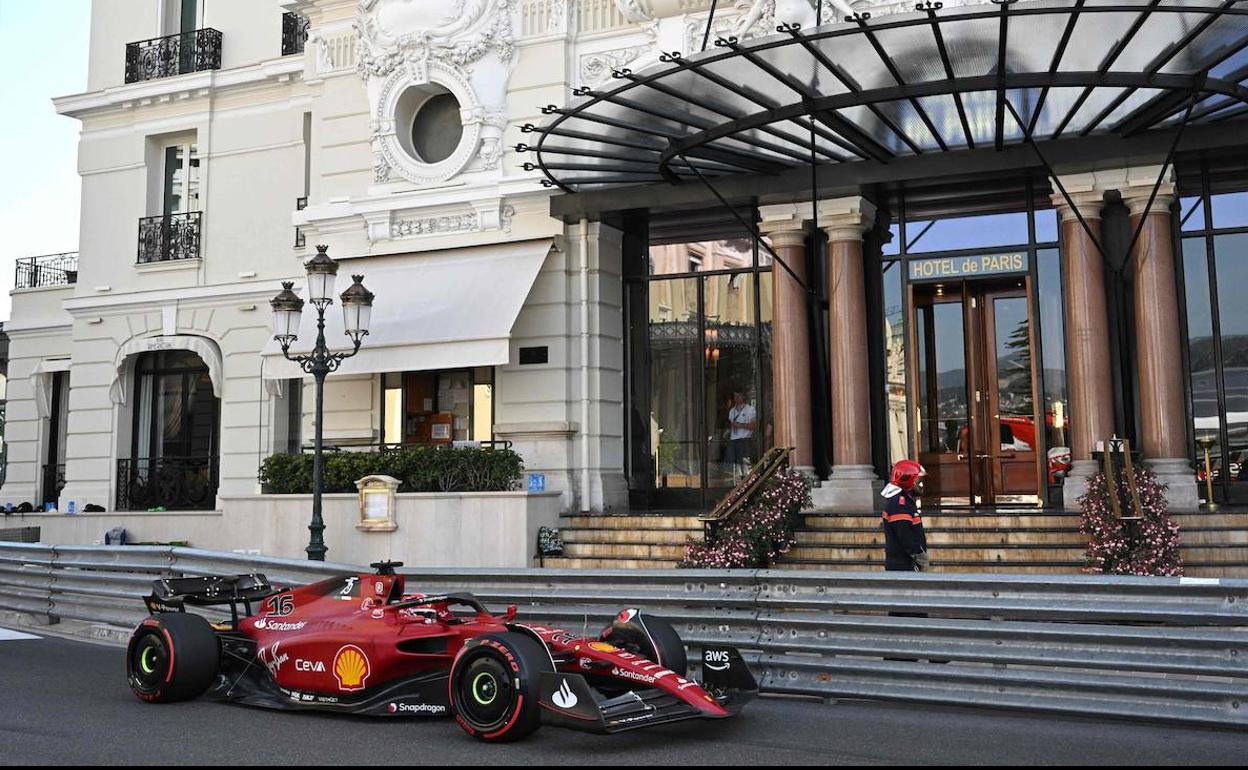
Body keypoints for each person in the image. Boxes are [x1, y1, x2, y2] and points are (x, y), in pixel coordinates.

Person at [880, 459, 930, 572]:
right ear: (907, 480)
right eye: (918, 481)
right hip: (902, 565)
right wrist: (919, 555)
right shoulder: (899, 504)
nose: (921, 485)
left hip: (908, 562)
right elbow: (905, 534)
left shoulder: (905, 501)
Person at [725, 390, 757, 474]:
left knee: (745, 464)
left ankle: (747, 481)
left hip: (745, 440)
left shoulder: (750, 409)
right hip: (733, 440)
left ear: (743, 396)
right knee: (733, 464)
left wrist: (741, 425)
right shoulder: (732, 411)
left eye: (739, 396)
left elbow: (754, 426)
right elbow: (731, 425)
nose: (737, 398)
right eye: (735, 396)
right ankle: (735, 481)